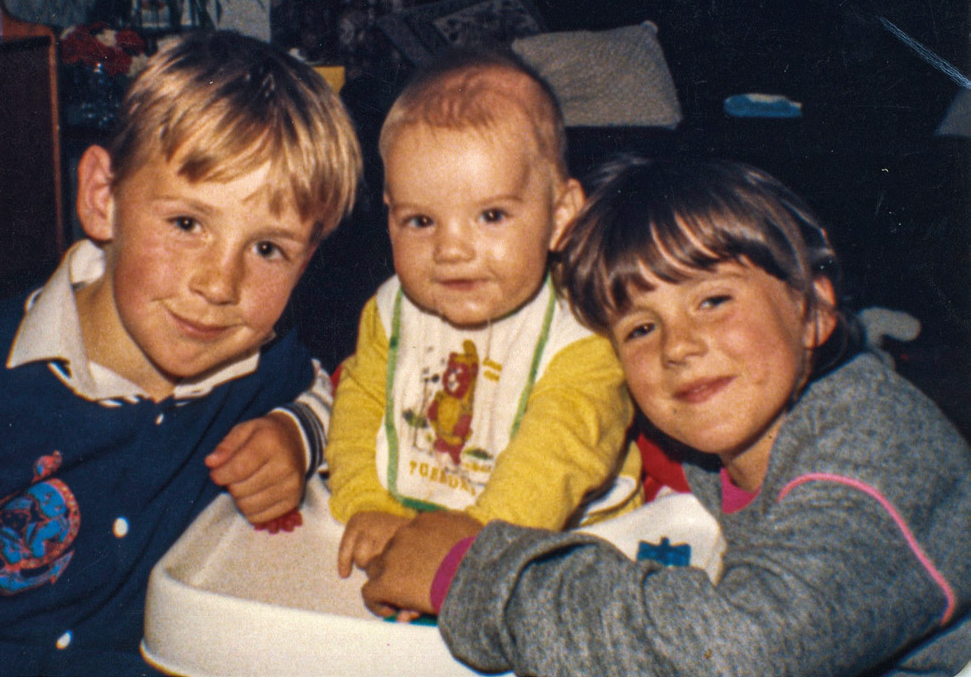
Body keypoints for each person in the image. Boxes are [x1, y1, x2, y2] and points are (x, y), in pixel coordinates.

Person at [361, 154, 971, 676]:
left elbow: (736, 651)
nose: (676, 346)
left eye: (712, 299)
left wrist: (469, 574)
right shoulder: (744, 432)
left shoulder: (870, 460)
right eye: (642, 327)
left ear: (811, 311)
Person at [0, 31, 362, 676]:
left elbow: (343, 393)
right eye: (187, 224)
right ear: (102, 199)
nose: (219, 285)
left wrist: (293, 434)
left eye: (268, 249)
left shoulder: (261, 369)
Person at [325, 47, 641, 580]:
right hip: (405, 519)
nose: (452, 250)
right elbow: (357, 408)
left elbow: (555, 457)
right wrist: (365, 502)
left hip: (561, 545)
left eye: (491, 215)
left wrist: (469, 547)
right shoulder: (389, 312)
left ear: (559, 215)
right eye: (421, 221)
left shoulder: (581, 336)